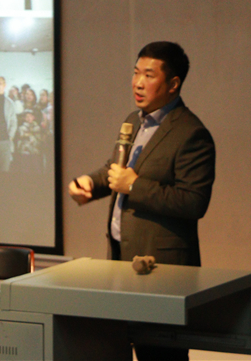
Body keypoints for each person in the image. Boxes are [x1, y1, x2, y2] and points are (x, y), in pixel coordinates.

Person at [68, 41, 215, 361]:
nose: (137, 83)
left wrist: (134, 186)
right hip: (121, 260)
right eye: (135, 73)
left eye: (149, 75)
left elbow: (193, 202)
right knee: (115, 349)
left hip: (163, 269)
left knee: (160, 357)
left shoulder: (191, 133)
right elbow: (116, 169)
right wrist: (90, 183)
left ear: (173, 84)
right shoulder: (133, 122)